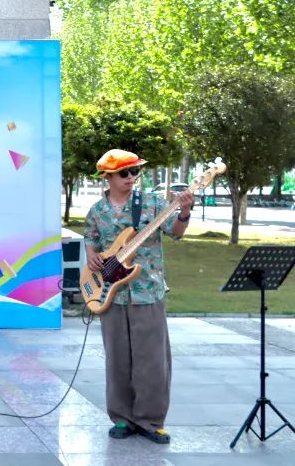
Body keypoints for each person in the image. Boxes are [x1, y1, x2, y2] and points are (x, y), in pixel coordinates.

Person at [84, 148, 193, 445]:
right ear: (108, 177)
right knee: (117, 358)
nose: (131, 177)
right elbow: (91, 238)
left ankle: (150, 421)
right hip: (111, 293)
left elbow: (176, 231)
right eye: (124, 173)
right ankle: (122, 418)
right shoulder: (97, 210)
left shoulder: (153, 203)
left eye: (135, 171)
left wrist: (184, 212)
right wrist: (92, 256)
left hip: (147, 291)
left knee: (152, 359)